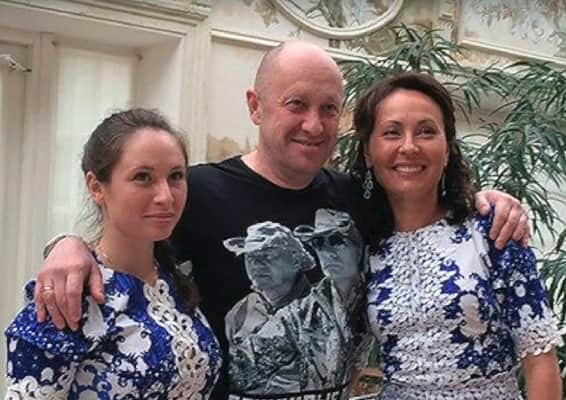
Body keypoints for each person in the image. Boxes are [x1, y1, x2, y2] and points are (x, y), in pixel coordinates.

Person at [33, 41, 529, 399]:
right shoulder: (195, 192)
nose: (313, 124)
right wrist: (67, 244)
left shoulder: (355, 198)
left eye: (328, 109)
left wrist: (489, 202)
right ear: (255, 106)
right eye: (296, 104)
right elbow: (123, 240)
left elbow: (422, 205)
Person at [354, 73, 562, 399]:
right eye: (392, 132)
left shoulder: (493, 230)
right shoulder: (362, 243)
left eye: (426, 131)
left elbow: (540, 362)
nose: (409, 146)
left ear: (448, 148)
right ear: (368, 151)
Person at [5, 109, 221, 399]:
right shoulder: (68, 294)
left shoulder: (174, 280)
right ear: (96, 187)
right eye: (143, 177)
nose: (166, 196)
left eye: (175, 176)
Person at [223, 222, 316, 395]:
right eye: (250, 257)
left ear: (295, 260)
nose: (256, 264)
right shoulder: (241, 311)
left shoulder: (318, 308)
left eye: (268, 255)